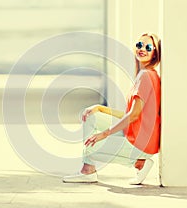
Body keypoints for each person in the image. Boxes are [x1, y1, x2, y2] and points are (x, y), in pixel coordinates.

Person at [63, 33, 161, 185]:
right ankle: (88, 170)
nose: (142, 49)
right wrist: (101, 108)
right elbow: (130, 114)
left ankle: (139, 162)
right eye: (139, 45)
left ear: (155, 54)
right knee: (91, 115)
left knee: (90, 149)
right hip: (137, 135)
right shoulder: (145, 74)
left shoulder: (146, 76)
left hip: (141, 142)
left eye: (148, 47)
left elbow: (133, 115)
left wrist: (105, 134)